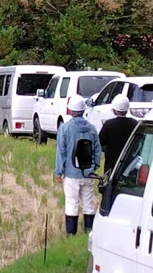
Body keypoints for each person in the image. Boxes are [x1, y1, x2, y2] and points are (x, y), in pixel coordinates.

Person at [55, 95, 102, 236]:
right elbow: (97, 150)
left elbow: (61, 152)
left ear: (70, 111)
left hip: (71, 173)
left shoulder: (65, 128)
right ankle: (89, 233)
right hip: (88, 173)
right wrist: (94, 166)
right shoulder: (92, 128)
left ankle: (71, 235)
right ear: (83, 110)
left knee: (71, 203)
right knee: (88, 203)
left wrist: (58, 171)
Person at [99, 94, 137, 174]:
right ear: (127, 109)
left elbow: (101, 142)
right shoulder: (134, 123)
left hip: (111, 161)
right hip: (129, 161)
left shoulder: (109, 124)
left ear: (114, 110)